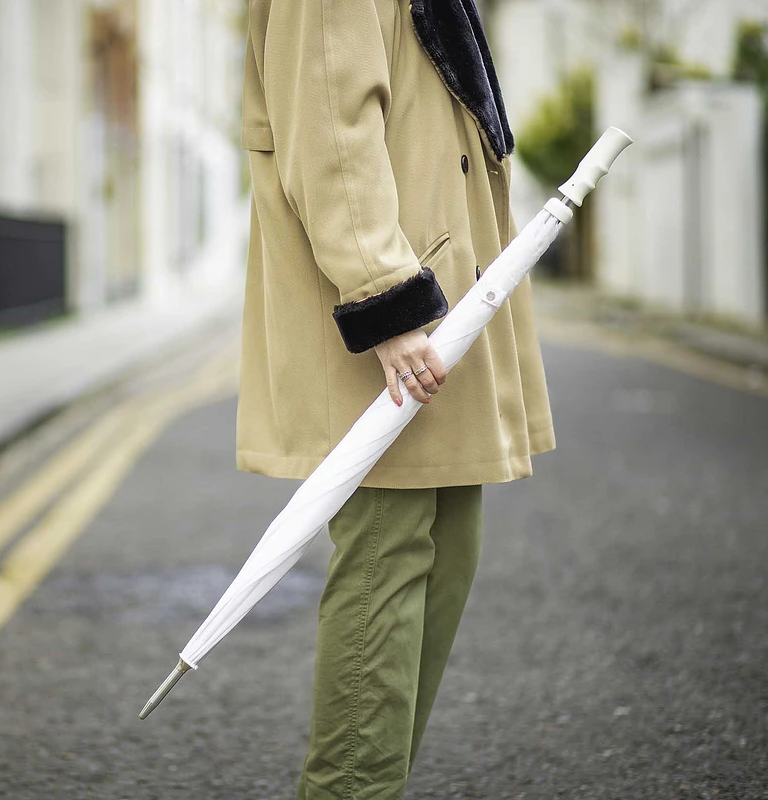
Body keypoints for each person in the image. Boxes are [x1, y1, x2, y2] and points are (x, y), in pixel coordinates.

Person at [235, 0, 555, 797]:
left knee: (448, 549)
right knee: (388, 556)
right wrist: (385, 296)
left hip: (446, 302)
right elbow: (330, 129)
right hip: (396, 313)